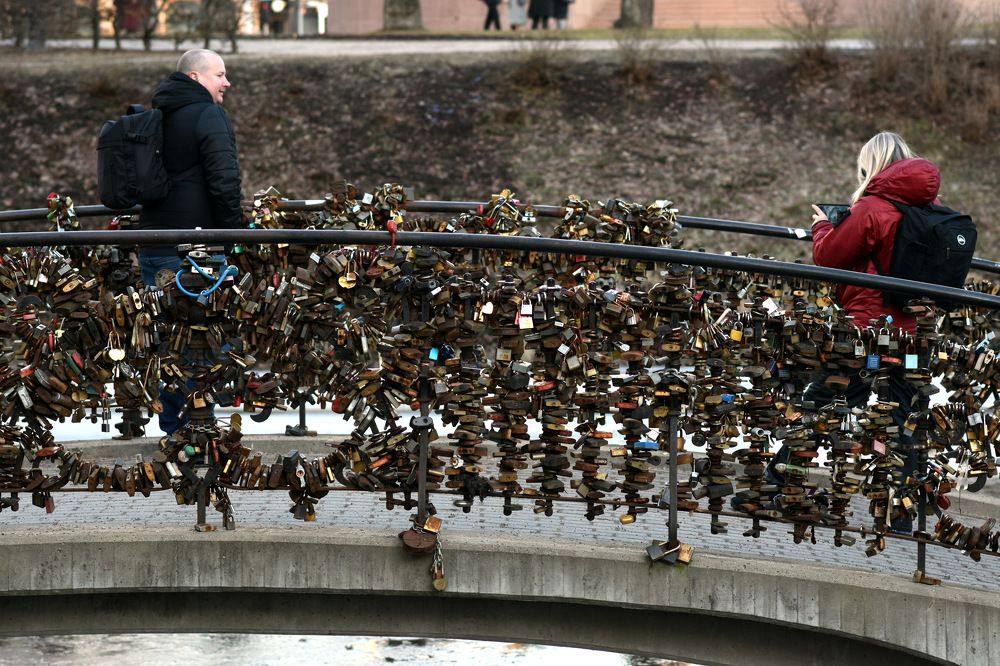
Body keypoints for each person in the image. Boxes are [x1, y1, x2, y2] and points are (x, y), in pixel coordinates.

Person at [765, 131, 938, 534]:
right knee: (903, 417)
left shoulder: (874, 207)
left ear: (872, 165)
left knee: (828, 400)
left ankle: (779, 478)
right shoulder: (933, 211)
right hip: (914, 334)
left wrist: (824, 226)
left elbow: (829, 258)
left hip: (867, 332)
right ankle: (900, 514)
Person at [140, 48, 243, 435]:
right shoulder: (207, 114)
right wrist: (234, 236)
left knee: (167, 342)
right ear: (197, 78)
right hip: (196, 249)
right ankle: (197, 435)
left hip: (153, 242)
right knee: (202, 343)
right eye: (220, 74)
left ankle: (173, 429)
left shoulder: (157, 114)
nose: (227, 82)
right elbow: (224, 181)